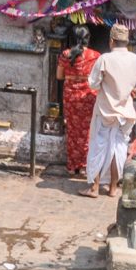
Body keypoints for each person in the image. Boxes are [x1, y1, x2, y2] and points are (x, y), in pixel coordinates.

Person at [80, 23, 136, 199]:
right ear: (126, 42)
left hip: (105, 110)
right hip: (125, 112)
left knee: (98, 147)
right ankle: (113, 188)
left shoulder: (105, 59)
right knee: (119, 148)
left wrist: (103, 82)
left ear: (111, 41)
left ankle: (94, 187)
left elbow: (93, 84)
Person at [56, 26, 102, 175]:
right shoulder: (95, 55)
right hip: (88, 97)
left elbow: (59, 76)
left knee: (72, 130)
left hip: (70, 97)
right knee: (88, 131)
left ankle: (72, 166)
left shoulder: (65, 54)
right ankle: (84, 167)